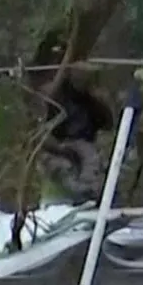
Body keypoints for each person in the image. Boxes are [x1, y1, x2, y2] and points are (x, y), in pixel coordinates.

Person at [29, 32, 115, 203]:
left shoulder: (90, 97)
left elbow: (108, 124)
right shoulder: (47, 93)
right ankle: (79, 192)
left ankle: (89, 194)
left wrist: (94, 94)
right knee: (63, 172)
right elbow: (38, 134)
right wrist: (61, 149)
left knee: (92, 160)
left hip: (85, 146)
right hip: (55, 150)